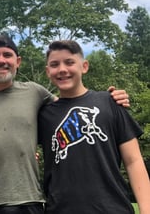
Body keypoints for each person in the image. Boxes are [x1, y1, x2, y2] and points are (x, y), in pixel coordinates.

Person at [0, 33, 130, 214]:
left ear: (18, 61)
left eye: (7, 55)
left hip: (29, 201)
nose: (1, 60)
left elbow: (67, 106)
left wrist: (107, 100)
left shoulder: (35, 92)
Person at [38, 40, 150, 214]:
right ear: (48, 72)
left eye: (69, 62)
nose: (62, 69)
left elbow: (134, 161)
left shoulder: (110, 102)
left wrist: (147, 210)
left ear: (84, 66)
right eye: (54, 64)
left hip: (113, 208)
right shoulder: (43, 115)